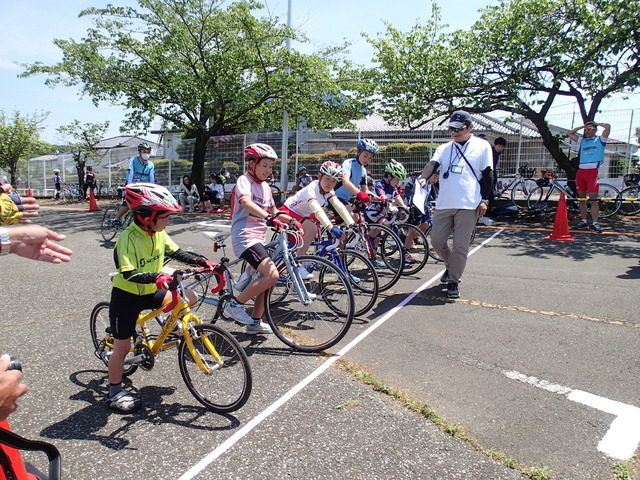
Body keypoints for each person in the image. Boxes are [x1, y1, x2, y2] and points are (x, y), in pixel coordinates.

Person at [107, 183, 216, 413]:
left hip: (149, 291)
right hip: (126, 295)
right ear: (147, 217)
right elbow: (127, 273)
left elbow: (177, 253)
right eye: (165, 216)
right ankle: (115, 392)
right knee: (122, 348)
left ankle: (169, 328)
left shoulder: (158, 233)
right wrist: (157, 277)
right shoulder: (127, 239)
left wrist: (202, 262)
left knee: (190, 296)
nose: (168, 220)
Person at [418, 110, 493, 299]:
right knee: (436, 240)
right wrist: (423, 178)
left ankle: (453, 280)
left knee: (461, 245)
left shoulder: (482, 146)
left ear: (469, 127)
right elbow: (432, 164)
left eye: (458, 129)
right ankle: (452, 266)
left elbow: (488, 175)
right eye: (452, 129)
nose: (454, 132)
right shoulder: (444, 148)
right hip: (444, 203)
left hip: (468, 204)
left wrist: (485, 200)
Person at [225, 143, 298, 335]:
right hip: (244, 237)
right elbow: (246, 202)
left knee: (267, 279)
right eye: (264, 165)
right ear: (252, 164)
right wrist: (268, 218)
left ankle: (255, 322)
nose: (268, 170)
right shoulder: (244, 181)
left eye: (270, 166)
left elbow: (274, 211)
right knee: (272, 275)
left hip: (258, 237)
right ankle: (234, 305)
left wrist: (294, 221)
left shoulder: (265, 187)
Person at [280, 161, 355, 267]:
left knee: (302, 241)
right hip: (289, 211)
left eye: (333, 181)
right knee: (312, 229)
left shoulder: (328, 191)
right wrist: (330, 228)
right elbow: (317, 209)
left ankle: (300, 256)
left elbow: (338, 206)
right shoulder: (311, 189)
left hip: (304, 214)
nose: (329, 183)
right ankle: (299, 263)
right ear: (320, 176)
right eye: (327, 179)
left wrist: (351, 224)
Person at [365, 159, 418, 266]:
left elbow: (397, 196)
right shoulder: (379, 185)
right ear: (389, 176)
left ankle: (373, 258)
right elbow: (383, 198)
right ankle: (367, 241)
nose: (398, 182)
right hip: (373, 212)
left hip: (382, 212)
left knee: (378, 236)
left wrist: (404, 207)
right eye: (397, 179)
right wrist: (391, 208)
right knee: (382, 224)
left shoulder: (392, 186)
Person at [566, 120, 611, 232]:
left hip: (592, 172)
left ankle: (595, 222)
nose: (587, 131)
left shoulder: (600, 139)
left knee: (593, 199)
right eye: (585, 130)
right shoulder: (583, 141)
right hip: (581, 171)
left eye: (589, 129)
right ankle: (584, 221)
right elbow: (569, 133)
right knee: (581, 198)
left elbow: (608, 126)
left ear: (595, 130)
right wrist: (583, 126)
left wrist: (596, 123)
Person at [332, 139, 379, 217]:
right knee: (352, 216)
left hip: (345, 200)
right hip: (334, 197)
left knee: (357, 219)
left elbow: (366, 190)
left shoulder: (363, 170)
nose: (367, 159)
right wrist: (359, 193)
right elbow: (345, 181)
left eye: (370, 158)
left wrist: (379, 199)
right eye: (365, 156)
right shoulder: (348, 163)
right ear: (359, 152)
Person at [114, 142, 155, 224]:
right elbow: (130, 173)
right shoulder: (133, 160)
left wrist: (152, 188)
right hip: (131, 186)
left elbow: (151, 177)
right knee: (126, 205)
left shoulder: (150, 164)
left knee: (144, 205)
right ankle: (116, 219)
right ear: (139, 152)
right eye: (144, 152)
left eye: (148, 152)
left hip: (142, 188)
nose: (146, 154)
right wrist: (129, 186)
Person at [479, 137, 507, 226]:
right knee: (487, 197)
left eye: (502, 147)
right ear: (495, 145)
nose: (500, 148)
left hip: (491, 177)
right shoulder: (490, 152)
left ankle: (484, 216)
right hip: (485, 177)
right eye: (498, 146)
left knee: (490, 197)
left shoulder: (497, 153)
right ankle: (483, 217)